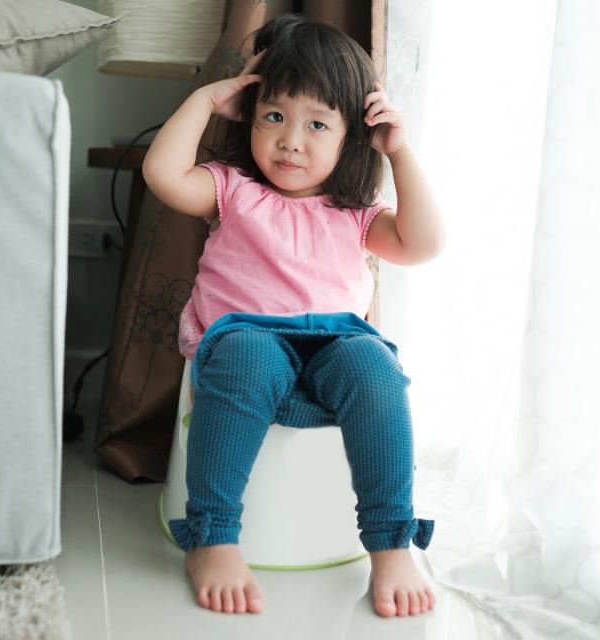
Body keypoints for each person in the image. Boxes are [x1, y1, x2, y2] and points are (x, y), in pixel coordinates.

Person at [142, 14, 444, 618]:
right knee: (247, 360)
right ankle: (214, 535)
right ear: (250, 117)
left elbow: (423, 243)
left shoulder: (355, 214)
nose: (291, 141)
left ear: (350, 135)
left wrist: (402, 152)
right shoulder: (231, 189)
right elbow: (162, 175)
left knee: (378, 369)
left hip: (335, 340)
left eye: (316, 124)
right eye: (274, 117)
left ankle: (390, 544)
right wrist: (204, 100)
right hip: (245, 335)